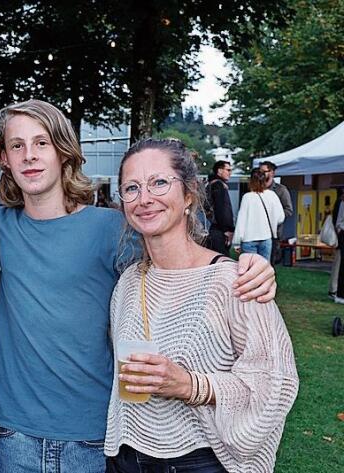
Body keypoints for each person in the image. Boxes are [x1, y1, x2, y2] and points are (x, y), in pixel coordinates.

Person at [0, 101, 277, 473]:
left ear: (63, 151)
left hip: (93, 434)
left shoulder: (112, 229)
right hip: (15, 435)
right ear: (4, 158)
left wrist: (251, 265)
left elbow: (179, 263)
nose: (30, 156)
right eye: (17, 145)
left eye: (42, 143)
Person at [105, 138, 298, 472]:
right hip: (127, 457)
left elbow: (276, 384)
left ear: (189, 195)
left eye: (159, 182)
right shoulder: (128, 283)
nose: (144, 198)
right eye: (131, 188)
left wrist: (191, 385)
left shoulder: (235, 281)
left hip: (201, 461)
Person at [232, 169, 285, 260]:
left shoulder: (247, 197)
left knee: (249, 269)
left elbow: (241, 220)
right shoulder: (272, 195)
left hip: (248, 239)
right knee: (263, 269)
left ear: (251, 181)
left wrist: (236, 242)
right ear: (264, 180)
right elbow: (281, 217)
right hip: (266, 237)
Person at [259, 161, 294, 264]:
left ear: (272, 173)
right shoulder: (256, 188)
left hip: (273, 233)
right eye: (260, 171)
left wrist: (273, 215)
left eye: (264, 171)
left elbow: (289, 210)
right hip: (256, 232)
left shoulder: (280, 190)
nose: (261, 174)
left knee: (269, 264)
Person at [204, 161, 235, 255]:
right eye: (228, 170)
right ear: (220, 170)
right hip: (219, 230)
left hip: (214, 229)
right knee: (223, 264)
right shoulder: (218, 185)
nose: (230, 173)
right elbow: (222, 209)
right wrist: (227, 229)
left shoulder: (212, 184)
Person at [330, 191, 344, 300]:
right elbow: (338, 222)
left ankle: (334, 289)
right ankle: (335, 290)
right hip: (341, 237)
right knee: (339, 264)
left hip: (340, 235)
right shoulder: (341, 202)